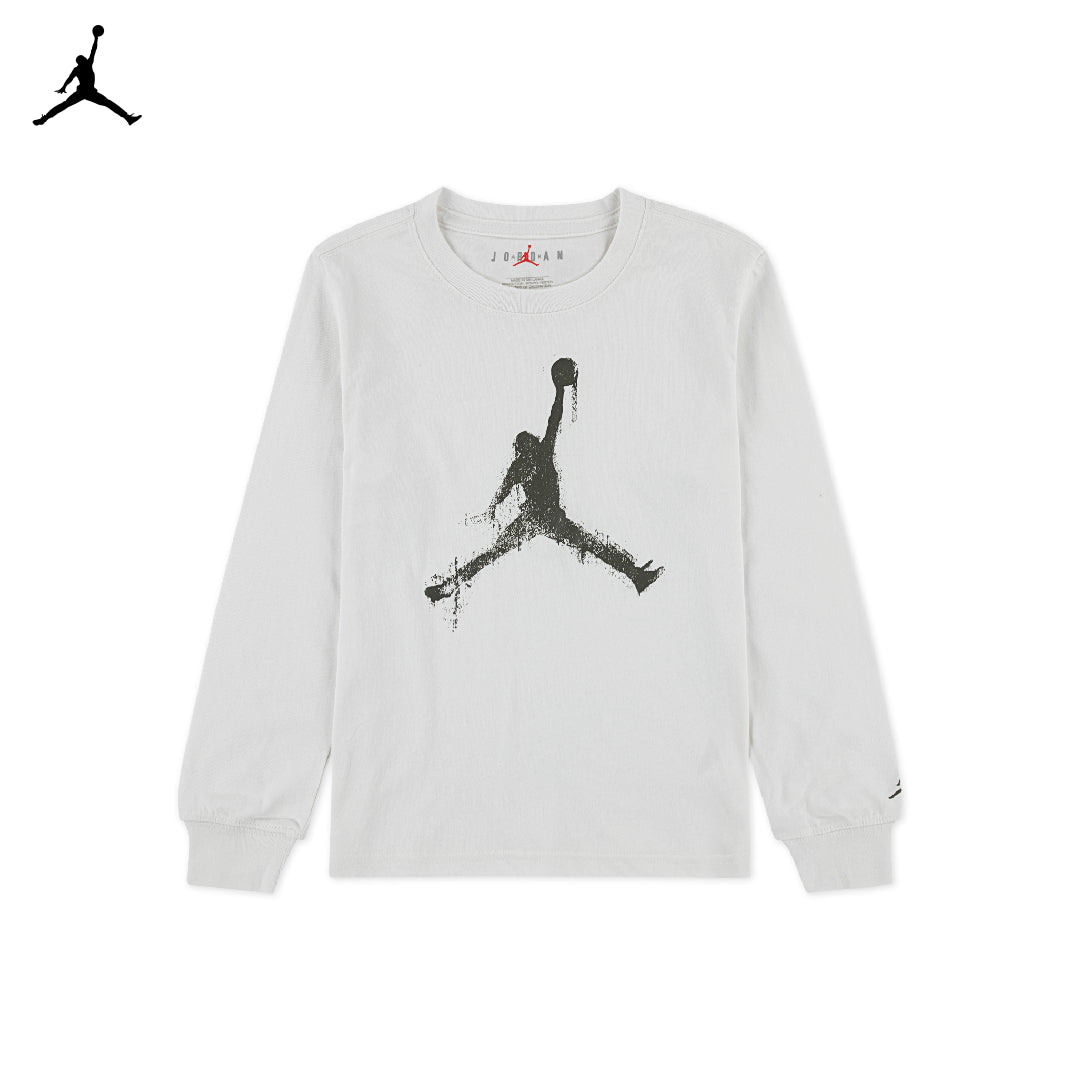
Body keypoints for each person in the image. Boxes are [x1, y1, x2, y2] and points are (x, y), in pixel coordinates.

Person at [425, 359, 664, 603]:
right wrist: (559, 390)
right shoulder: (540, 454)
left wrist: (493, 507)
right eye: (527, 441)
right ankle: (635, 575)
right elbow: (553, 420)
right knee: (592, 545)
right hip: (546, 519)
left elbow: (551, 423)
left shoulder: (527, 461)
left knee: (494, 553)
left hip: (537, 519)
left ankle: (449, 586)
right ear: (527, 445)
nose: (530, 442)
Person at [33, 27, 141, 126]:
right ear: (80, 61)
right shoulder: (85, 65)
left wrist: (63, 87)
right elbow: (92, 51)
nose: (85, 58)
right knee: (107, 103)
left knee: (65, 105)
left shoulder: (80, 67)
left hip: (87, 92)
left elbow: (70, 78)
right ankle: (128, 118)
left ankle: (43, 120)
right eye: (83, 58)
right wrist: (96, 38)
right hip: (86, 92)